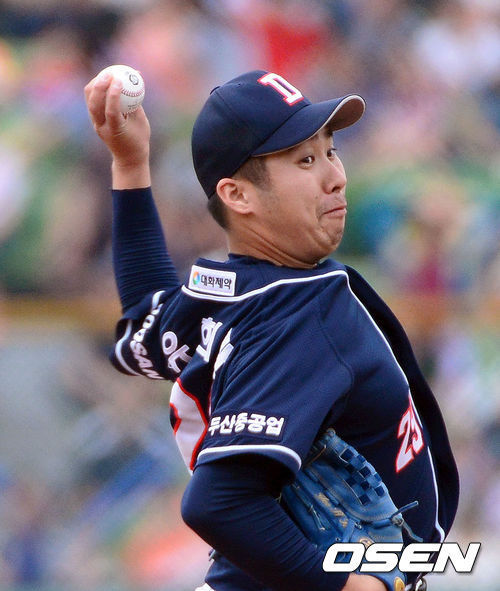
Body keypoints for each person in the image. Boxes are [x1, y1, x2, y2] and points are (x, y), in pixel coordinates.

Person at [84, 69, 459, 591]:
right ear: (238, 195)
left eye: (330, 151)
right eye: (305, 160)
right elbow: (220, 502)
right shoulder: (297, 314)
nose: (335, 176)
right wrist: (342, 588)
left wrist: (129, 165)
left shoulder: (229, 295)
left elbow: (146, 313)